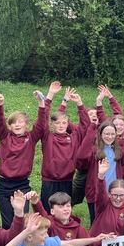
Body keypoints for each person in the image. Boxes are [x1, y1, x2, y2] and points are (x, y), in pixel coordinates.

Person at [0, 92, 46, 229]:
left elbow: (41, 124)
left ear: (27, 124)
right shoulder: (5, 136)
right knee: (8, 223)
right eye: (13, 123)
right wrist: (0, 103)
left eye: (20, 122)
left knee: (21, 221)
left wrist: (41, 103)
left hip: (22, 185)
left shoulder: (31, 138)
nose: (16, 125)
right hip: (3, 185)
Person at [40, 81, 90, 213]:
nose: (61, 125)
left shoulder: (73, 137)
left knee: (64, 213)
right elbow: (43, 118)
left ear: (68, 124)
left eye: (64, 123)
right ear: (52, 125)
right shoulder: (47, 137)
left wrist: (79, 103)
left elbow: (86, 125)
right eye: (57, 123)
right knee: (48, 213)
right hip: (49, 181)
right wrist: (50, 95)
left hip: (67, 181)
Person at [0, 213, 114, 246]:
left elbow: (70, 243)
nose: (47, 235)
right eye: (43, 234)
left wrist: (95, 239)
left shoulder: (46, 243)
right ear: (29, 237)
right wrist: (26, 231)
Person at [75, 121, 124, 224]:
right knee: (97, 223)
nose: (109, 137)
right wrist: (91, 128)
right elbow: (80, 156)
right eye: (106, 133)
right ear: (100, 134)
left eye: (112, 134)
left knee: (114, 223)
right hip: (97, 193)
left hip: (114, 194)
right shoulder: (94, 150)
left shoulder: (118, 150)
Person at [96, 85, 124, 206]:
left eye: (122, 124)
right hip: (113, 176)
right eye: (116, 125)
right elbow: (105, 121)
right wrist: (100, 102)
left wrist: (110, 97)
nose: (119, 126)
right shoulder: (108, 140)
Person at [25, 190, 91, 246]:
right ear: (52, 211)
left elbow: (90, 244)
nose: (66, 209)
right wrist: (35, 201)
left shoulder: (77, 226)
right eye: (61, 206)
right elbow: (41, 213)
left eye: (68, 206)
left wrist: (101, 239)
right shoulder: (50, 222)